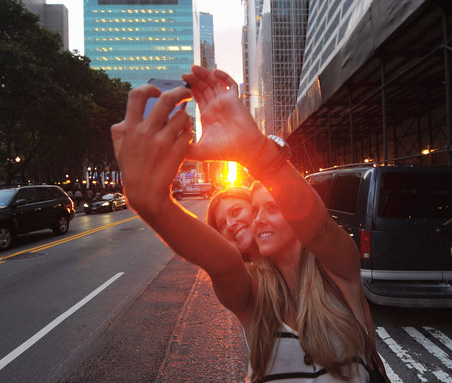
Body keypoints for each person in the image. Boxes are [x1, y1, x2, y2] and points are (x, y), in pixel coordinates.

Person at [111, 65, 389, 382]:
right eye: (253, 211)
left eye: (271, 207)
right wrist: (155, 206)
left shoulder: (339, 270)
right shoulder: (254, 292)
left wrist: (254, 151)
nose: (257, 219)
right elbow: (225, 265)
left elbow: (319, 227)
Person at [206, 187, 260, 262]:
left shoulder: (281, 255)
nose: (229, 224)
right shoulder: (229, 273)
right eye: (222, 225)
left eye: (235, 211)